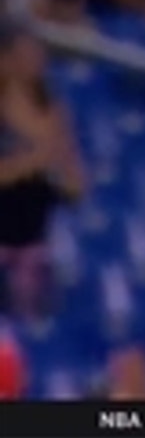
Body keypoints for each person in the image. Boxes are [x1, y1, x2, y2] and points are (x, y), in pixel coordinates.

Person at [0, 20, 85, 320]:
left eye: (36, 52)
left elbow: (75, 185)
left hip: (37, 237)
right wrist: (35, 159)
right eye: (24, 53)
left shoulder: (54, 111)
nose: (34, 60)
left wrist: (66, 172)